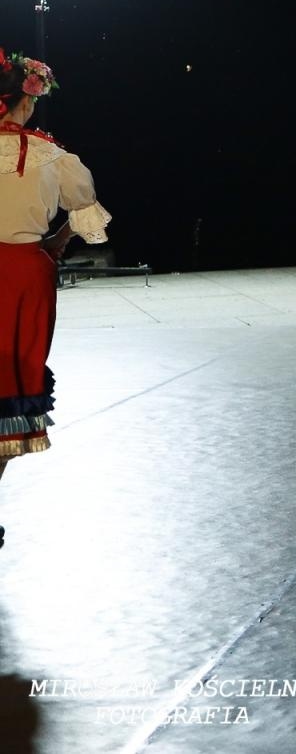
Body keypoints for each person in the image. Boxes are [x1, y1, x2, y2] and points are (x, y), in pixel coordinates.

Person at [0, 53, 111, 549]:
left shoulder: (46, 153)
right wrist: (55, 242)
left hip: (22, 271)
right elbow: (87, 218)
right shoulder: (50, 156)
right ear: (27, 97)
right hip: (25, 275)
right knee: (9, 391)